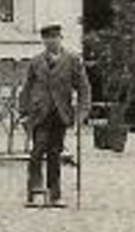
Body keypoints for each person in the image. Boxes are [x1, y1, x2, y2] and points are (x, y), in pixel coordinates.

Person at [18, 22, 91, 207]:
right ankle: (34, 191)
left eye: (55, 38)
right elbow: (26, 88)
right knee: (37, 152)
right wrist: (24, 112)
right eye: (47, 38)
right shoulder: (35, 62)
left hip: (60, 113)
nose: (51, 42)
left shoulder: (73, 60)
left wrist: (82, 113)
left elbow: (83, 88)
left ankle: (54, 194)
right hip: (39, 113)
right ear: (43, 41)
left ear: (61, 38)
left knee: (54, 153)